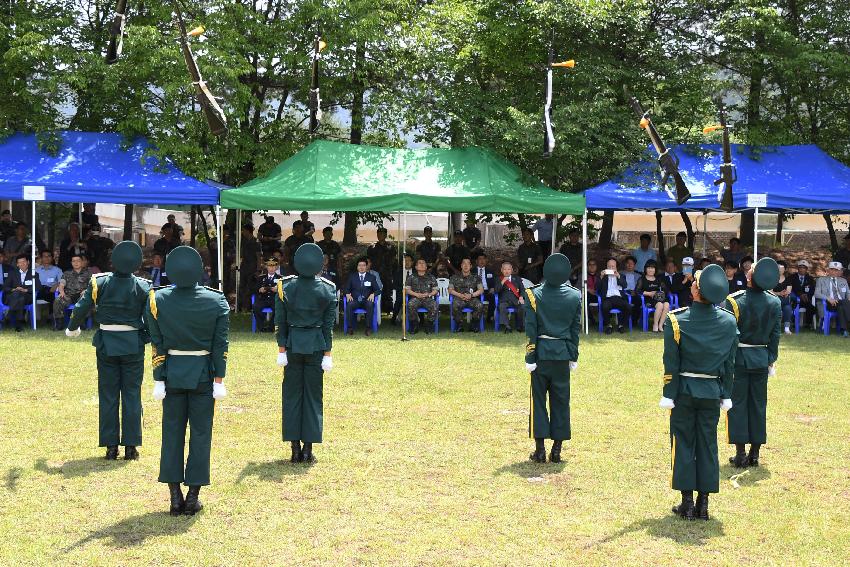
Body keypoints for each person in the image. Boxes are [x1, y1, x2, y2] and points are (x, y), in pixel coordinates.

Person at [146, 246, 230, 516]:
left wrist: (158, 377)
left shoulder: (158, 299)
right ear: (200, 271)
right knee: (201, 434)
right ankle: (192, 496)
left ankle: (174, 496)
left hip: (172, 372)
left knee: (171, 434)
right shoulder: (216, 301)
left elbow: (157, 344)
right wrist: (219, 377)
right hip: (203, 374)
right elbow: (220, 345)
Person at [660, 263, 738, 521]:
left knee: (683, 442)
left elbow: (671, 362)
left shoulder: (677, 320)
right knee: (707, 444)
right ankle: (703, 503)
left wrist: (668, 393)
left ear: (695, 291)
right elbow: (729, 363)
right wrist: (725, 393)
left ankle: (687, 503)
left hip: (683, 391)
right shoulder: (728, 321)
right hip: (711, 391)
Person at [64, 241, 150, 460]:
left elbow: (82, 307)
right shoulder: (143, 286)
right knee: (132, 394)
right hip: (132, 345)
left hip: (107, 343)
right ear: (137, 264)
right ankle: (131, 447)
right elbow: (152, 320)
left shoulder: (99, 282)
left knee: (109, 394)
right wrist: (142, 338)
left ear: (114, 260)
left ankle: (111, 447)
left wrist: (72, 328)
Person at [275, 243, 336, 463]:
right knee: (312, 396)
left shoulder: (285, 286)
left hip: (292, 345)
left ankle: (294, 448)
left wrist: (281, 348)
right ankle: (307, 448)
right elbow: (328, 326)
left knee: (291, 395)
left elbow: (279, 322)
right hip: (316, 345)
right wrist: (328, 353)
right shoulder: (328, 288)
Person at [725, 258, 782, 469]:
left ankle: (740, 454)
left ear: (750, 277)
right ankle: (755, 454)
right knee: (758, 405)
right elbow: (775, 335)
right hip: (760, 359)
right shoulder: (774, 302)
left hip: (739, 359)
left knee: (738, 404)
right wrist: (770, 359)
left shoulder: (734, 300)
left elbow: (729, 334)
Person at [524, 253, 581, 463]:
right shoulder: (575, 296)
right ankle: (557, 449)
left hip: (541, 353)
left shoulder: (533, 295)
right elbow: (575, 330)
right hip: (563, 354)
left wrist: (530, 356)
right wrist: (574, 355)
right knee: (561, 401)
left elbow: (531, 329)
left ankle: (540, 449)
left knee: (538, 400)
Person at [53, 253, 93, 329]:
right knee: (58, 300)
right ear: (71, 263)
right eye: (73, 261)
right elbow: (61, 284)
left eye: (78, 261)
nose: (76, 263)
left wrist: (86, 290)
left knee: (85, 299)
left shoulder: (88, 273)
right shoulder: (66, 273)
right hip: (69, 296)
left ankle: (82, 323)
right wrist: (61, 291)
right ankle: (59, 324)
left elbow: (92, 286)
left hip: (81, 295)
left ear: (82, 262)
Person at [343, 258, 381, 336]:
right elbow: (346, 289)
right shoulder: (352, 277)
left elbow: (378, 290)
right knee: (349, 305)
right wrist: (347, 294)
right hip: (355, 300)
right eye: (359, 265)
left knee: (370, 305)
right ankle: (350, 328)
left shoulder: (371, 277)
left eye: (363, 265)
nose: (361, 267)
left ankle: (368, 328)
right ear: (357, 267)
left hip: (367, 300)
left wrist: (373, 294)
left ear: (366, 266)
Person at [3, 254, 40, 331]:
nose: (22, 264)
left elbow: (38, 287)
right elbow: (5, 287)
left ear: (28, 262)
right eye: (20, 262)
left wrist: (26, 290)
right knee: (19, 297)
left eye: (24, 261)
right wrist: (14, 289)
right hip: (12, 296)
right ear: (17, 264)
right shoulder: (12, 273)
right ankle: (18, 324)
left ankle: (9, 315)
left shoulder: (34, 274)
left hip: (27, 296)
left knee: (21, 297)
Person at [814, 261, 850, 335]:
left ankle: (844, 330)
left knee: (842, 306)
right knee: (844, 302)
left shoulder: (843, 281)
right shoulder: (821, 280)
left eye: (837, 270)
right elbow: (816, 293)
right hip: (829, 304)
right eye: (832, 269)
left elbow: (848, 293)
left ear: (840, 271)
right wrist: (828, 298)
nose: (834, 272)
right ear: (828, 270)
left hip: (842, 304)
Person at [597, 257, 632, 334]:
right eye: (609, 266)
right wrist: (601, 277)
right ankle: (609, 326)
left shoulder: (621, 275)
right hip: (608, 298)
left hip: (619, 298)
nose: (611, 268)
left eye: (613, 266)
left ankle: (621, 325)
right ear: (606, 267)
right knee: (604, 307)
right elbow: (597, 288)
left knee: (628, 307)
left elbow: (625, 285)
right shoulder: (602, 276)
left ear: (616, 267)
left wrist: (618, 276)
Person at [448, 257, 484, 332]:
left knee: (479, 305)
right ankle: (459, 325)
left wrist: (471, 295)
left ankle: (473, 325)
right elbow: (450, 290)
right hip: (459, 298)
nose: (466, 265)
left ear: (471, 266)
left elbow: (481, 290)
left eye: (468, 263)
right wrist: (460, 295)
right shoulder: (454, 277)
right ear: (461, 265)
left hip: (472, 298)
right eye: (464, 263)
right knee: (455, 304)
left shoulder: (476, 277)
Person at [366, 227, 396, 314]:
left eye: (383, 234)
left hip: (387, 272)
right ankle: (376, 307)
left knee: (388, 291)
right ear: (377, 235)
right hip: (376, 272)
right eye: (379, 234)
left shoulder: (391, 247)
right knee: (375, 289)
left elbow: (393, 260)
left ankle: (388, 309)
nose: (381, 236)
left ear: (386, 235)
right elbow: (369, 261)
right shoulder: (372, 247)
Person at [405, 258, 439, 334]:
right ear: (416, 267)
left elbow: (435, 290)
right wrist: (416, 294)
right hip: (416, 298)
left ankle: (429, 325)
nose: (422, 265)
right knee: (410, 304)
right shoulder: (411, 277)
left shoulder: (431, 277)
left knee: (434, 305)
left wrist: (429, 294)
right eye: (419, 263)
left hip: (427, 298)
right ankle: (414, 325)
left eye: (423, 263)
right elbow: (407, 290)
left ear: (426, 267)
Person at [636, 260, 671, 332]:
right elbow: (637, 291)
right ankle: (655, 324)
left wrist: (659, 292)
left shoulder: (658, 279)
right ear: (646, 269)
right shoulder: (642, 279)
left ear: (655, 269)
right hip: (648, 300)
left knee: (667, 304)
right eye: (649, 268)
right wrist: (649, 293)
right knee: (660, 305)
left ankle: (660, 325)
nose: (650, 270)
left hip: (658, 298)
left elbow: (666, 290)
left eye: (652, 268)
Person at [252, 259, 284, 332]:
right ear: (266, 267)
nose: (271, 268)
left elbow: (285, 290)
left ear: (276, 267)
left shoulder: (281, 278)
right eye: (269, 266)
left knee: (278, 308)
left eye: (273, 266)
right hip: (263, 299)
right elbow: (254, 289)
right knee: (255, 306)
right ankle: (261, 328)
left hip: (275, 300)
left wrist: (278, 289)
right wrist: (260, 290)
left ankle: (271, 328)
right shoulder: (261, 278)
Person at [494, 261, 525, 332]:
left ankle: (520, 326)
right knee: (502, 307)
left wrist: (521, 297)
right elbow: (496, 291)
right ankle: (507, 326)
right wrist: (503, 281)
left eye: (508, 269)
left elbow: (522, 290)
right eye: (505, 269)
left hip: (515, 300)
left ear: (511, 270)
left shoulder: (517, 279)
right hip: (504, 301)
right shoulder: (498, 279)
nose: (507, 271)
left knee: (522, 307)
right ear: (501, 270)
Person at [239, 223, 261, 310]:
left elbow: (259, 257)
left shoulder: (256, 242)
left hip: (252, 268)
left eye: (244, 230)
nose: (243, 232)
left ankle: (250, 307)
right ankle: (242, 306)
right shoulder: (243, 241)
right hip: (244, 267)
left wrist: (258, 269)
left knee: (251, 288)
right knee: (242, 287)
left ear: (248, 231)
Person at [35, 250, 63, 314]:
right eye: (44, 256)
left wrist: (56, 285)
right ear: (41, 258)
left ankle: (51, 315)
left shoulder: (57, 270)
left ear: (52, 258)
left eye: (49, 256)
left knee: (55, 295)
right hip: (39, 291)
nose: (46, 258)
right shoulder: (36, 270)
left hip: (52, 291)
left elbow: (61, 281)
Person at [790, 260, 815, 328]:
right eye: (800, 267)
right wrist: (800, 295)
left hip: (806, 299)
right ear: (797, 268)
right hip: (795, 298)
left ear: (806, 269)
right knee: (793, 306)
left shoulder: (810, 278)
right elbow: (790, 289)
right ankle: (793, 323)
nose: (801, 269)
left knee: (811, 307)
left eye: (804, 268)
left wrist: (807, 295)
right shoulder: (792, 277)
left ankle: (808, 324)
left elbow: (812, 290)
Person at [392, 253, 415, 325]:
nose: (407, 262)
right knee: (399, 299)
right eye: (405, 261)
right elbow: (395, 285)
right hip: (402, 292)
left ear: (412, 262)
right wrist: (402, 289)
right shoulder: (398, 272)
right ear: (402, 262)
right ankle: (393, 318)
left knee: (417, 300)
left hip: (414, 293)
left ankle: (420, 320)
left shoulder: (416, 273)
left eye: (409, 261)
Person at [475, 253, 497, 322]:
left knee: (493, 298)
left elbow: (495, 282)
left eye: (483, 259)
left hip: (487, 291)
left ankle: (490, 317)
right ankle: (476, 318)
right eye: (480, 259)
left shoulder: (490, 271)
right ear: (476, 261)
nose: (482, 261)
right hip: (476, 291)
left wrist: (493, 288)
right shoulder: (472, 271)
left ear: (486, 260)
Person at [773, 261, 794, 335]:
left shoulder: (788, 279)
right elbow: (770, 291)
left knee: (787, 308)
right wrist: (779, 293)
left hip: (784, 299)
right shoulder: (772, 279)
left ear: (785, 270)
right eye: (778, 268)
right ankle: (775, 328)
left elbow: (789, 291)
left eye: (781, 268)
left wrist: (785, 293)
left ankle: (787, 328)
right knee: (782, 304)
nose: (779, 270)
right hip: (773, 300)